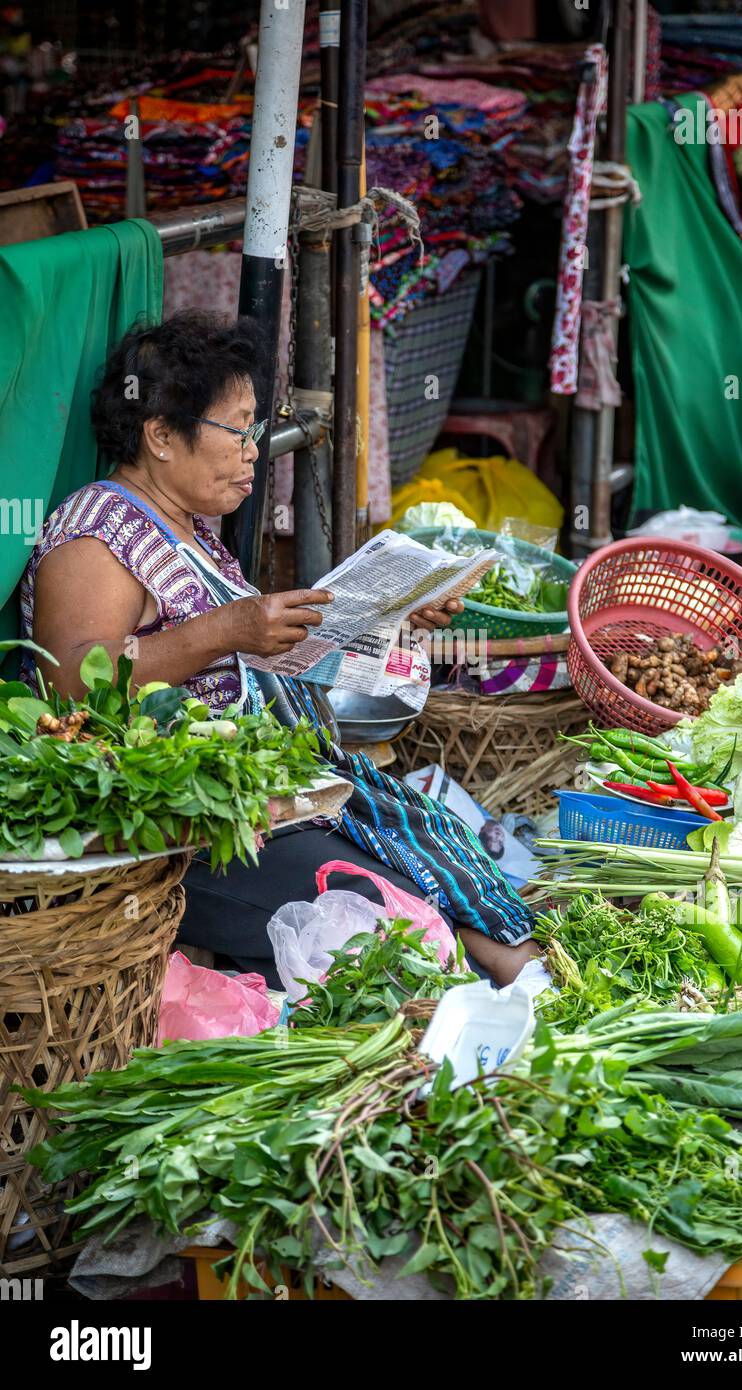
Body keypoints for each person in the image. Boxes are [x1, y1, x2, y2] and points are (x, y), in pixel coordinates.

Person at [21, 311, 539, 986]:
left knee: (444, 871)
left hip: (278, 801)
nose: (252, 449)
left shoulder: (192, 532)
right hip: (184, 835)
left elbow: (271, 666)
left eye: (254, 427)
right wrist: (226, 630)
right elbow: (72, 688)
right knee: (403, 931)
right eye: (236, 428)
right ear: (160, 436)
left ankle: (539, 1002)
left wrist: (393, 620)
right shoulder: (96, 534)